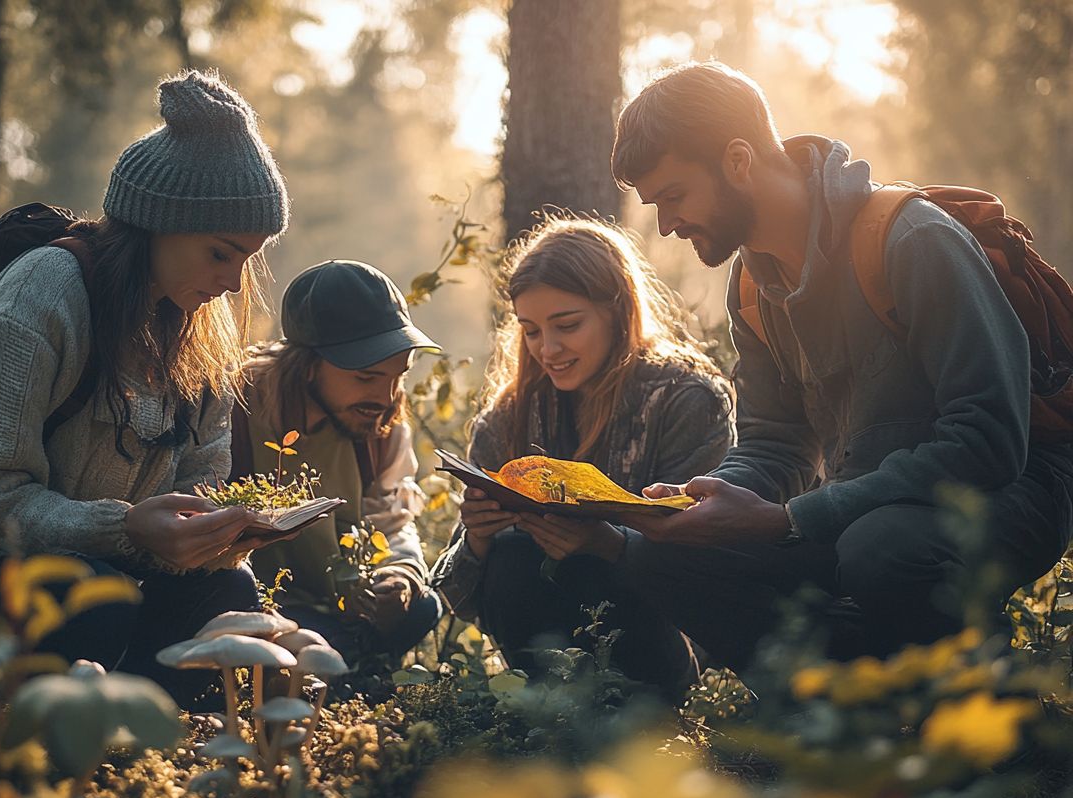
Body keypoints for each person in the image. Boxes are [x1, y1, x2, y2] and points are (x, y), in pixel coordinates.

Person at [606, 61, 1073, 671]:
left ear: (739, 160)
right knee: (656, 555)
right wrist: (708, 504)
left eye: (674, 196)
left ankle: (978, 700)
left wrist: (792, 519)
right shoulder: (750, 283)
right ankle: (831, 708)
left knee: (879, 548)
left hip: (1008, 493)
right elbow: (775, 443)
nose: (666, 225)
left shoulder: (911, 241)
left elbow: (987, 442)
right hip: (862, 509)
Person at [0, 70, 293, 704]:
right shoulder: (42, 297)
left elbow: (201, 475)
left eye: (246, 260)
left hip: (133, 571)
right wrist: (126, 529)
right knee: (98, 605)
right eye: (220, 253)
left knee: (232, 600)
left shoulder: (203, 329)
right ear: (160, 222)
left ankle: (142, 725)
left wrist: (208, 532)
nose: (234, 284)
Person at [432, 215, 734, 695]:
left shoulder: (686, 400)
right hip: (538, 655)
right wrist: (479, 536)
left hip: (655, 648)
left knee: (587, 568)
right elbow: (458, 596)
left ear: (617, 311)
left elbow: (708, 566)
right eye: (530, 331)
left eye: (567, 326)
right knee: (513, 555)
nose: (547, 350)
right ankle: (544, 717)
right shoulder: (508, 417)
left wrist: (608, 545)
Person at [231, 259, 445, 662]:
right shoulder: (235, 409)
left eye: (397, 376)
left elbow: (391, 521)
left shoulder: (380, 422)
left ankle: (344, 664)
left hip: (345, 605)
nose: (385, 397)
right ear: (309, 366)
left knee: (421, 606)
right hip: (259, 603)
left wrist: (398, 576)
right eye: (366, 377)